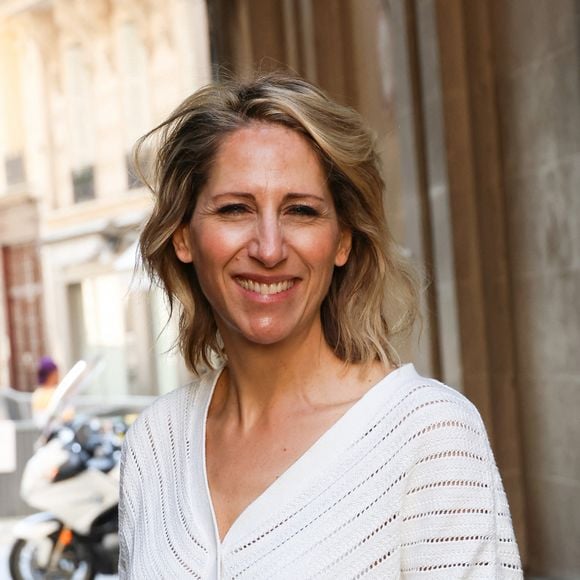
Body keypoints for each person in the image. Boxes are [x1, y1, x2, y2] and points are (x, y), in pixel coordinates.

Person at [119, 73, 522, 579]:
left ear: (342, 242)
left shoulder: (428, 434)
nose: (268, 248)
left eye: (301, 211)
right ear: (183, 237)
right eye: (235, 209)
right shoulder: (153, 444)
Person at [31, 356, 59, 426]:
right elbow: (42, 420)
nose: (58, 375)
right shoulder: (41, 394)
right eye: (56, 372)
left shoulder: (54, 390)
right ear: (51, 374)